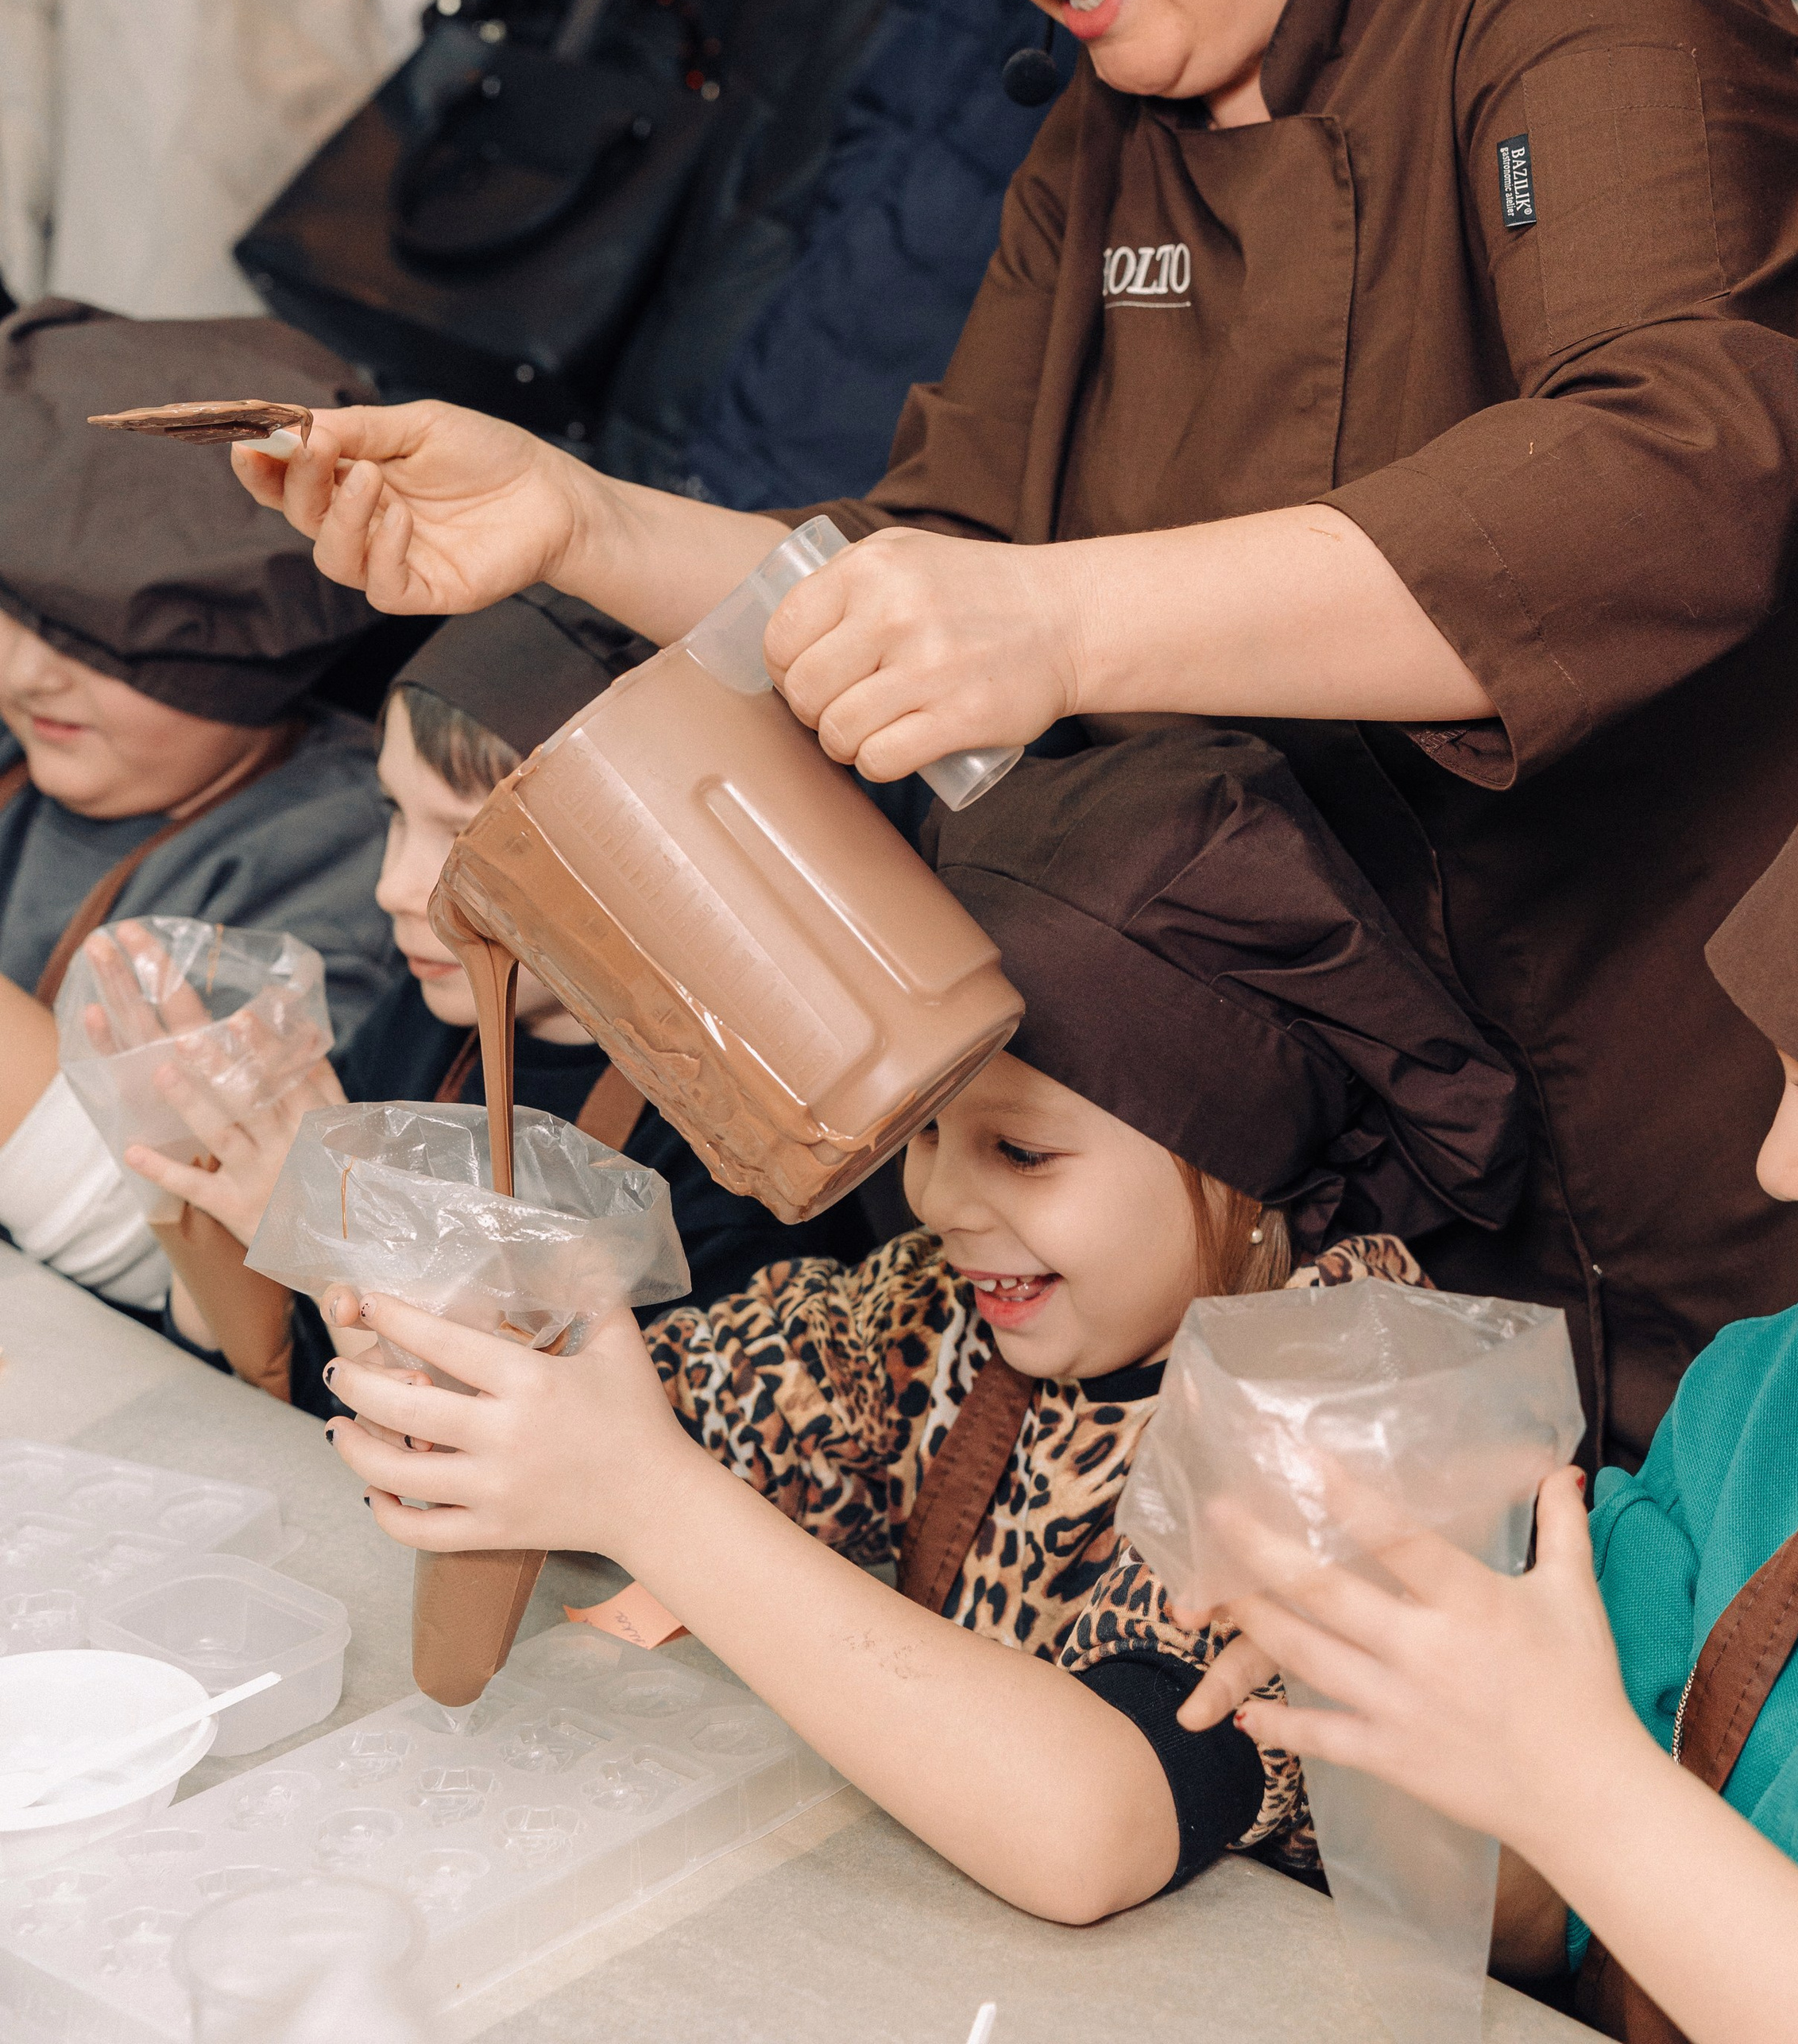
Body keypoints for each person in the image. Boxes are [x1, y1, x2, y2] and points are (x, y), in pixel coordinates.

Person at [232, 0, 1798, 1463]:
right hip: (1411, 1194)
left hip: (1794, 1123)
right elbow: (927, 578)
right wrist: (573, 524)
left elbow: (1666, 472)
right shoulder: (1111, 141)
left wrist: (1065, 623)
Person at [313, 731, 1523, 1922]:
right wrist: (466, 1368)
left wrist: (642, 1493)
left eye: (1022, 1152)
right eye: (928, 1133)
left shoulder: (1360, 1403)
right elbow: (662, 1402)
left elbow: (1094, 1828)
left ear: (1238, 1155)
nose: (940, 1199)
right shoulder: (926, 1318)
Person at [1177, 654, 1798, 2038]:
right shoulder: (1763, 1402)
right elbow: (1548, 1923)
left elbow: (1594, 1810)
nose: (1773, 1166)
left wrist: (1580, 1785)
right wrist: (1397, 1663)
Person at [133, 587, 852, 1405]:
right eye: (395, 814)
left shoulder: (737, 1168)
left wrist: (336, 1236)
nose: (394, 887)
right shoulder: (425, 1022)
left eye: (465, 836)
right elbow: (267, 1379)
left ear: (642, 854)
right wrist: (220, 1190)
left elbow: (540, 1471)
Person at [0, 298, 397, 1319]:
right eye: (12, 609)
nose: (28, 673)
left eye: (99, 645)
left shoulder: (347, 859)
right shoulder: (27, 746)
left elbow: (209, 1270)